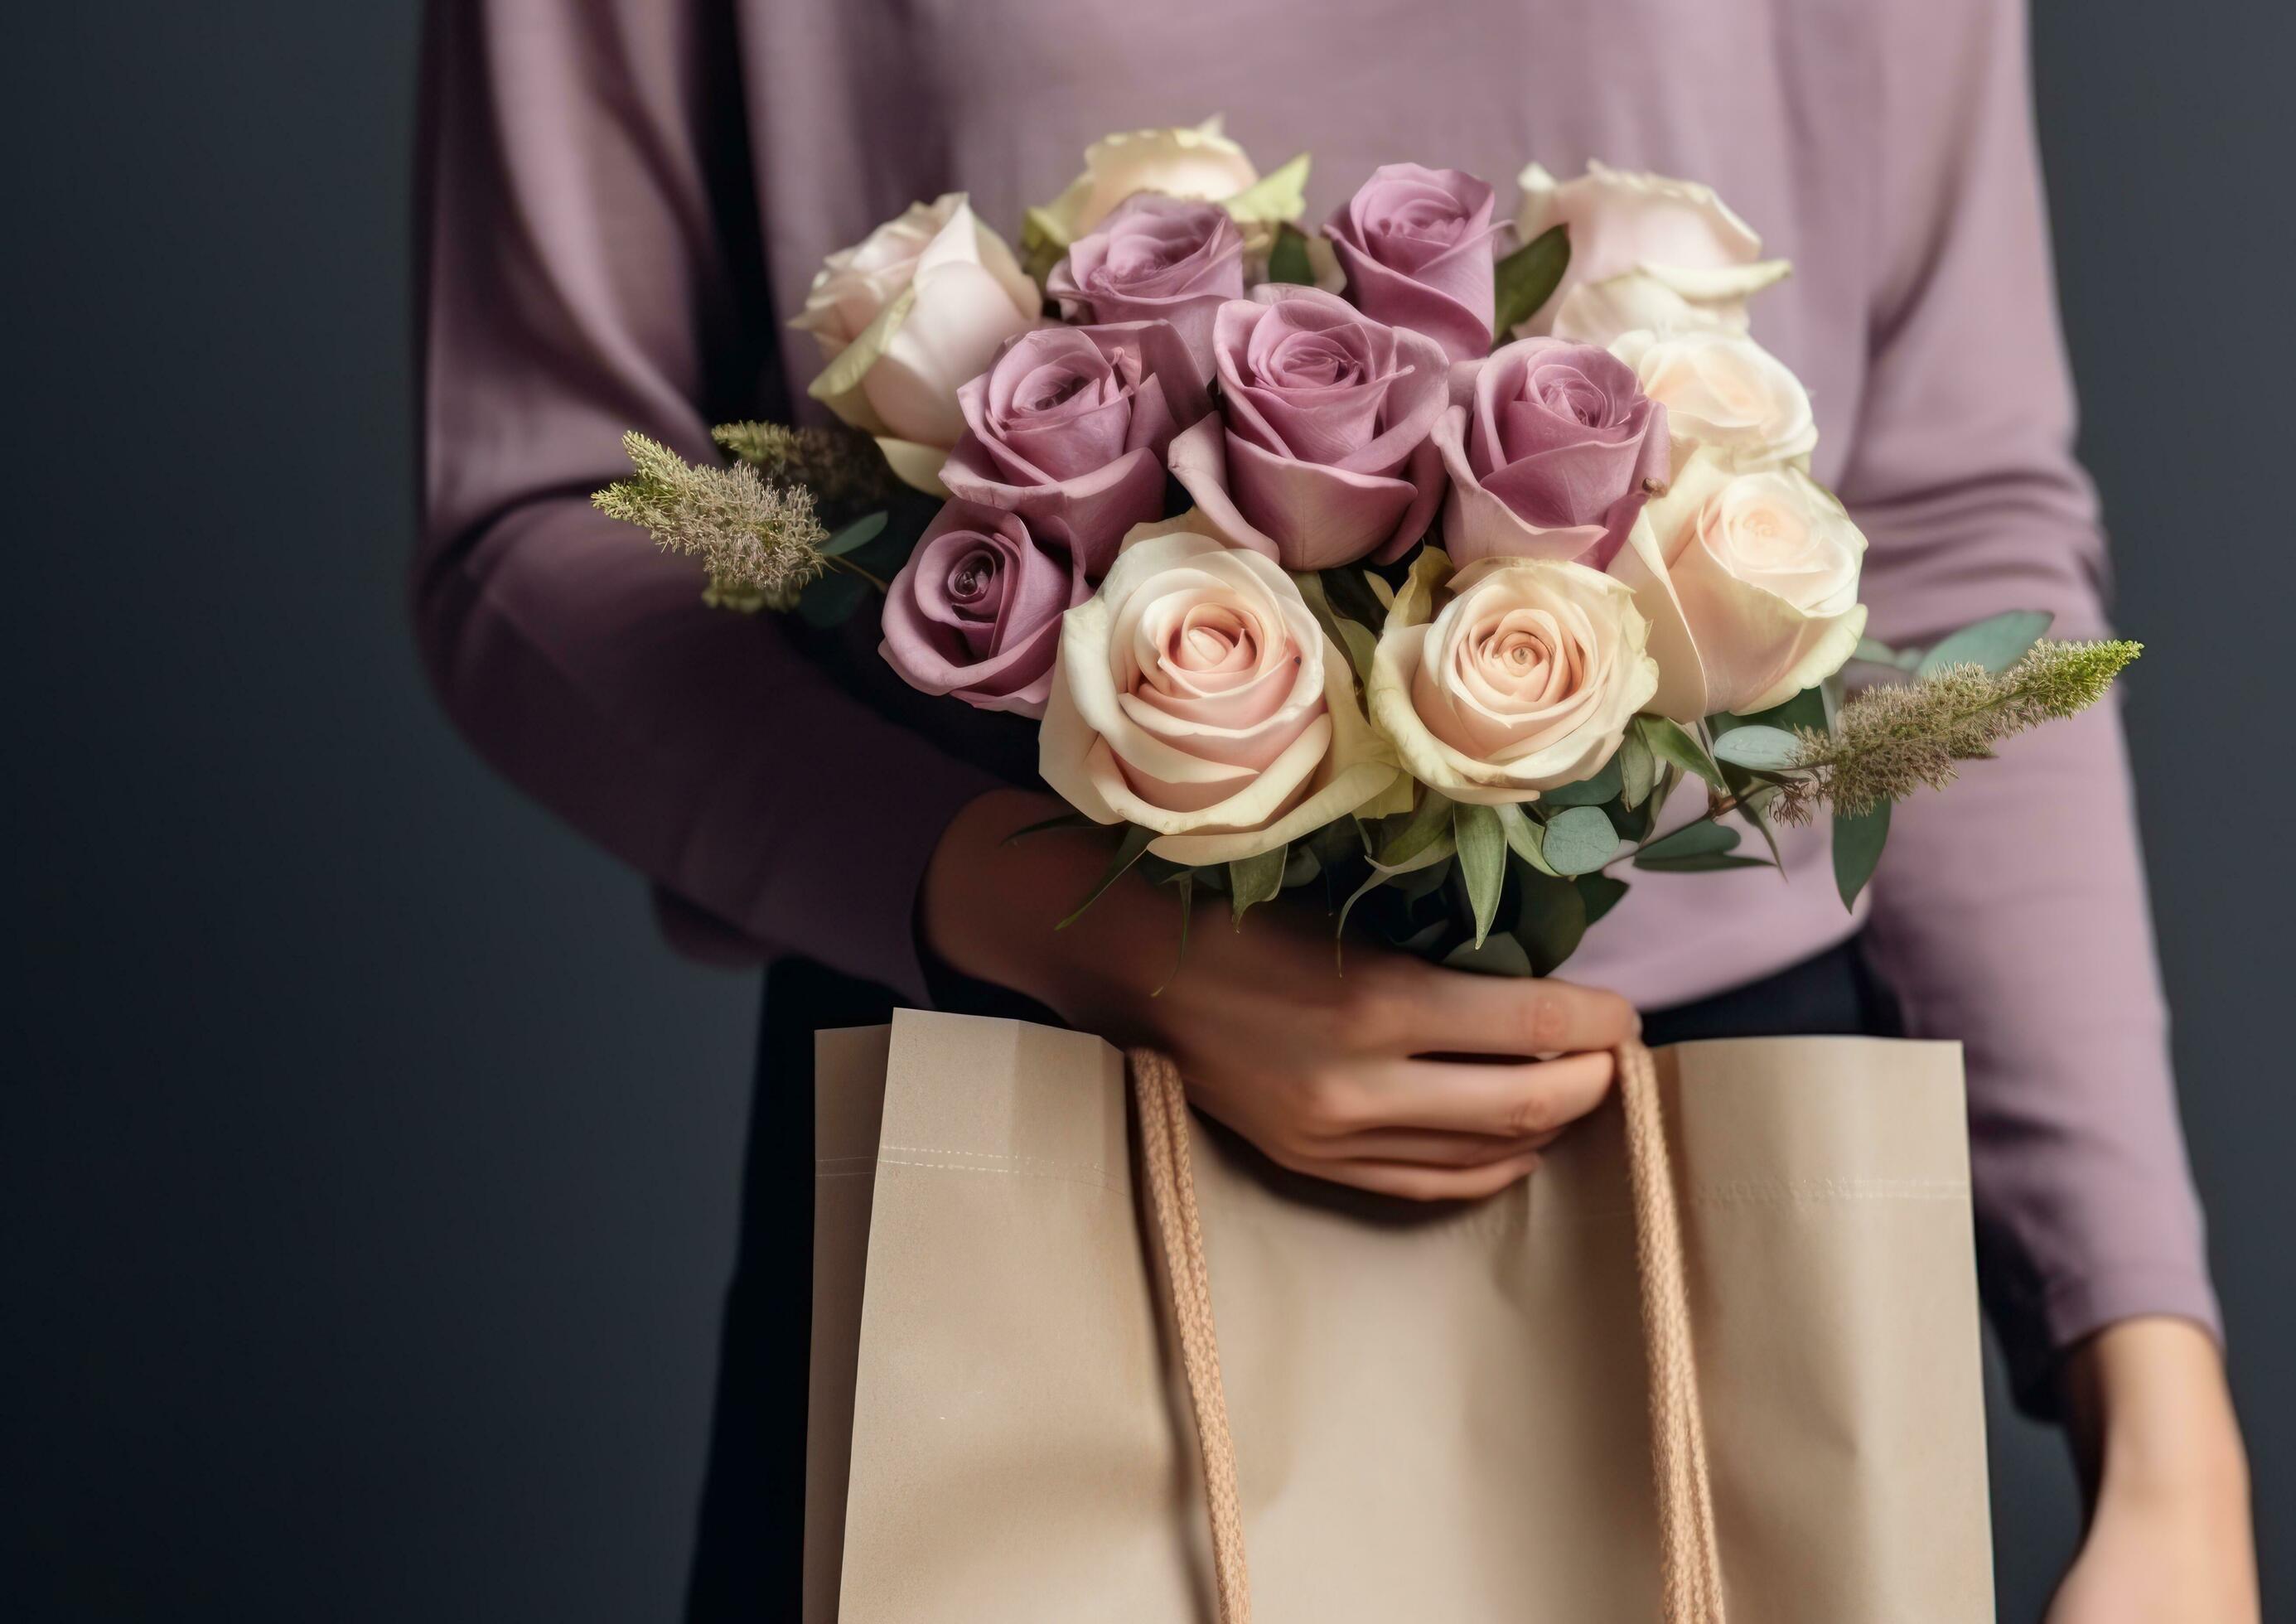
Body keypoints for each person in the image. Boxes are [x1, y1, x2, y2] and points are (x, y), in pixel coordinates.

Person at [414, 0, 2257, 1617]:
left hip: (1710, 1169)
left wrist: (2159, 1405)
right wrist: (1086, 923)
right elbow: (544, 507)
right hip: (1020, 1110)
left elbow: (1943, 535)